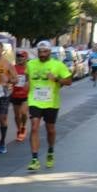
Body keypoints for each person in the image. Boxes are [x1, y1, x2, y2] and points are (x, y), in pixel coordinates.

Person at [25, 39, 73, 171]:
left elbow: (69, 81)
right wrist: (26, 86)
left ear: (50, 52)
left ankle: (50, 151)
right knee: (34, 127)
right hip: (34, 101)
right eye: (40, 51)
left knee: (50, 129)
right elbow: (27, 79)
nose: (42, 54)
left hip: (51, 102)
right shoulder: (30, 64)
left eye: (45, 51)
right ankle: (34, 159)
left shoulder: (58, 65)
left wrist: (56, 79)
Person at [10, 49, 31, 141]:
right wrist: (11, 81)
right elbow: (9, 79)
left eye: (22, 57)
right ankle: (19, 130)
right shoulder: (13, 68)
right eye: (18, 57)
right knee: (16, 115)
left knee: (23, 113)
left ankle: (23, 128)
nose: (19, 58)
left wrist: (29, 82)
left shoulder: (29, 68)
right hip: (15, 94)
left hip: (26, 94)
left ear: (26, 58)